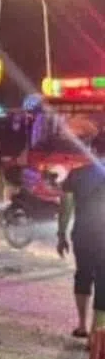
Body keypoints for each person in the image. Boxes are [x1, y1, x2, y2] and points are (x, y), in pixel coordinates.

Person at [58, 132, 105, 340]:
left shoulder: (77, 174)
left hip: (83, 232)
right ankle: (96, 335)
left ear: (92, 149)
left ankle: (82, 326)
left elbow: (66, 206)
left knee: (83, 275)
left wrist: (61, 234)